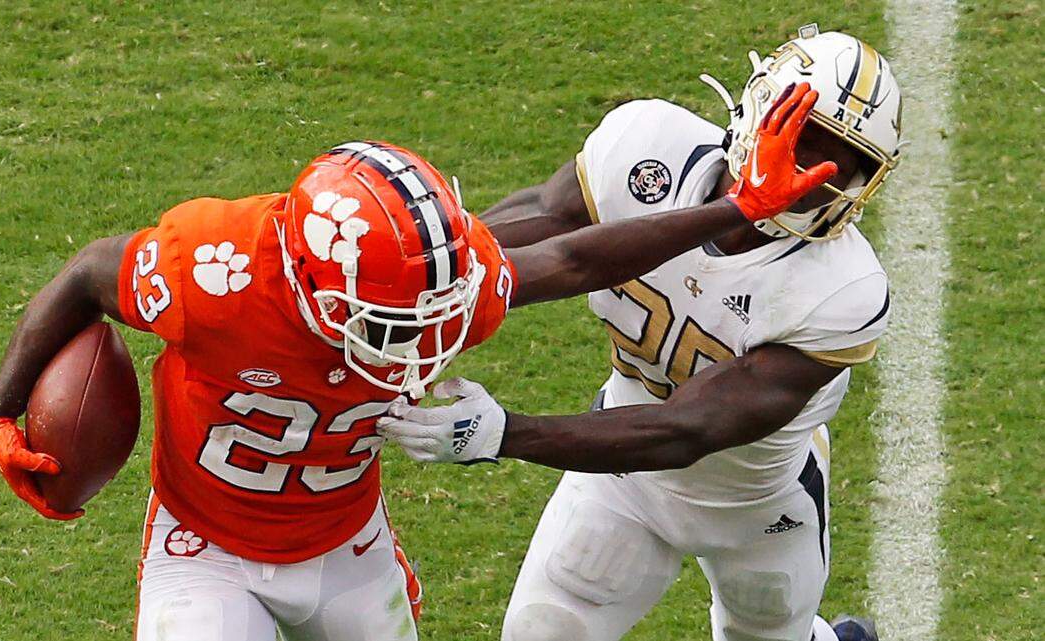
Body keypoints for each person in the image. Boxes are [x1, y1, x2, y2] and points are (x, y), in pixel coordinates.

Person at [0, 114, 830, 641]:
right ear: (310, 285)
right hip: (208, 549)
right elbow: (90, 274)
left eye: (430, 311)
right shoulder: (214, 269)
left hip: (349, 547)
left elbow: (569, 257)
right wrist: (1, 414)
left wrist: (735, 211)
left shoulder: (436, 289)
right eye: (389, 323)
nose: (419, 343)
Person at [377, 26, 897, 641]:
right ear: (759, 108)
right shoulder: (648, 147)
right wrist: (416, 279)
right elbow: (549, 242)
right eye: (800, 136)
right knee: (542, 632)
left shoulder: (845, 290)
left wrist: (503, 433)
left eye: (842, 159)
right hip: (623, 479)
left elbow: (686, 430)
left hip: (758, 505)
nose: (812, 172)